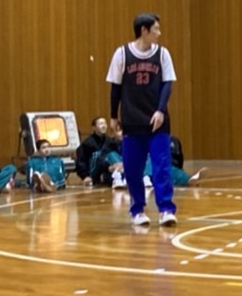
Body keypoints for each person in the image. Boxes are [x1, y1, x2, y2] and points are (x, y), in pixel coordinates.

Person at [106, 12, 177, 227]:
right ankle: (137, 211)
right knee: (132, 168)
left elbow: (167, 84)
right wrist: (113, 115)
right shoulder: (122, 54)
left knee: (162, 166)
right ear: (144, 31)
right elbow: (115, 88)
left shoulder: (163, 54)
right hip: (132, 121)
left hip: (157, 122)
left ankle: (166, 209)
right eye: (156, 29)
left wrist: (160, 110)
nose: (159, 33)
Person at [74, 116, 124, 188]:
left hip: (109, 169)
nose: (103, 126)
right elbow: (81, 161)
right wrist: (85, 176)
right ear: (94, 127)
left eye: (105, 124)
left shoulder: (111, 141)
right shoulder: (87, 143)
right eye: (101, 124)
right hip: (94, 171)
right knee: (99, 154)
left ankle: (118, 177)